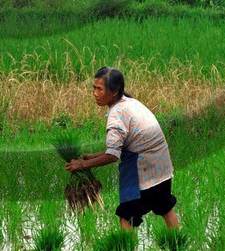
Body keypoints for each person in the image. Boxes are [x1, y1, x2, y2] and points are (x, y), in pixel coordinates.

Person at [65, 67, 180, 233]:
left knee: (127, 216)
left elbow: (112, 155)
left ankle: (127, 250)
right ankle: (178, 244)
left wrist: (82, 165)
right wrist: (92, 157)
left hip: (143, 170)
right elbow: (123, 145)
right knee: (165, 207)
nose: (95, 93)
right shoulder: (130, 102)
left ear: (114, 92)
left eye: (99, 89)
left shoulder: (116, 115)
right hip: (162, 166)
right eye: (94, 88)